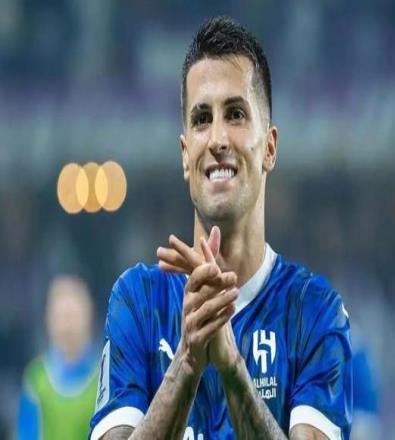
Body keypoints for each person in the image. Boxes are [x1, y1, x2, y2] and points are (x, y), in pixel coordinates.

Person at [89, 16, 352, 440]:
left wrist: (232, 367)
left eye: (235, 114)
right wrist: (187, 360)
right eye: (201, 118)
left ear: (269, 147)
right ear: (185, 155)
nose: (217, 139)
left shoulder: (314, 310)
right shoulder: (138, 302)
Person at [17, 275, 99, 440]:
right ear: (48, 320)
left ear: (88, 315)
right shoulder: (36, 379)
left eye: (72, 315)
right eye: (61, 316)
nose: (67, 325)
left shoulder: (105, 376)